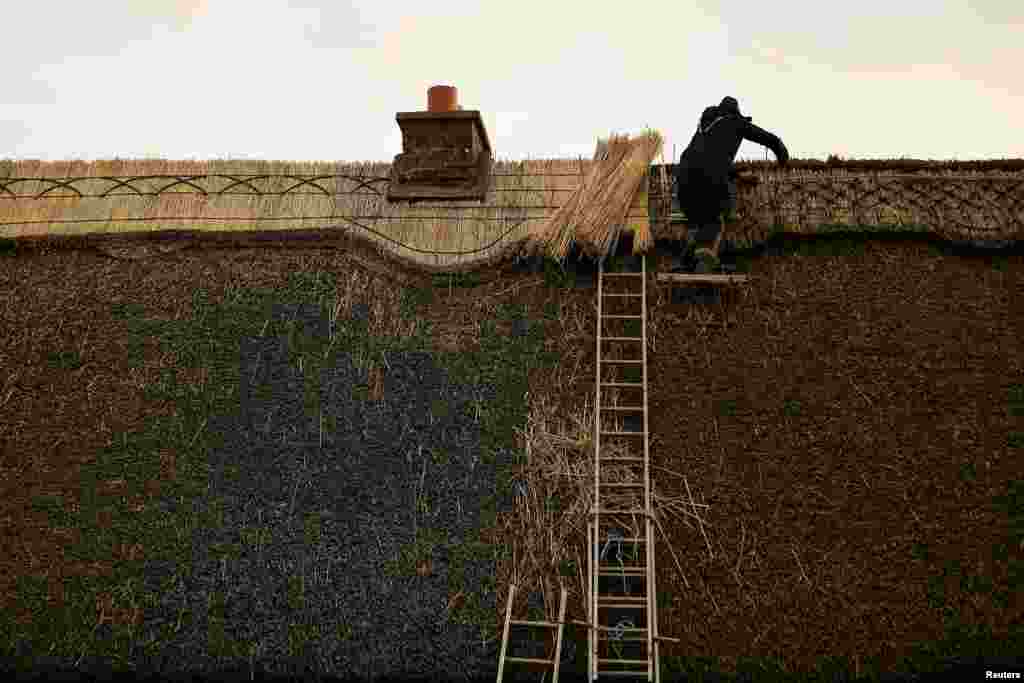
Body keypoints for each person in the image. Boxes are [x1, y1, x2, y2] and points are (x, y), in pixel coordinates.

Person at [674, 96, 789, 273]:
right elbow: (765, 137)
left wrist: (738, 177)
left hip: (683, 186)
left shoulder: (703, 128)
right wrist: (781, 154)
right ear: (735, 112)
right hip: (709, 186)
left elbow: (710, 160)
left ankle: (686, 260)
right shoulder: (734, 121)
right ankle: (703, 266)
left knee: (704, 222)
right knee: (717, 221)